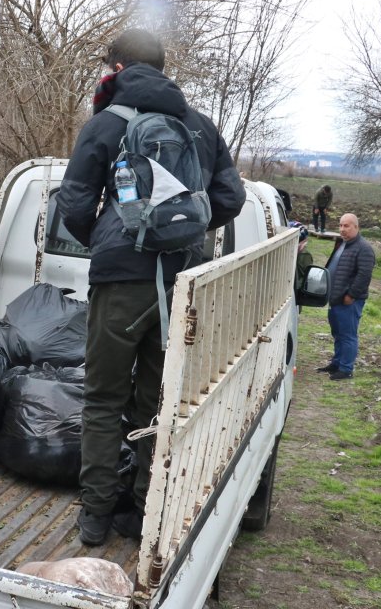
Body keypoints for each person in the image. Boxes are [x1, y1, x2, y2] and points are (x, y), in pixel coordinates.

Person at [56, 28, 246, 546]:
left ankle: (94, 516)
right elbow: (230, 198)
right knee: (157, 401)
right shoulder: (201, 127)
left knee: (102, 398)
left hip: (120, 282)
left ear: (116, 68)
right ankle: (143, 511)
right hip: (181, 283)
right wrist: (184, 231)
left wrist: (109, 236)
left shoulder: (106, 123)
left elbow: (72, 204)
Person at [318, 213, 375, 381]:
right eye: (341, 225)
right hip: (335, 299)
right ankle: (336, 363)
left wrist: (351, 295)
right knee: (338, 333)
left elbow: (364, 275)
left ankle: (346, 369)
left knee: (348, 335)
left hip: (348, 301)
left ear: (356, 227)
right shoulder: (342, 244)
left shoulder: (364, 248)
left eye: (347, 226)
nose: (342, 229)